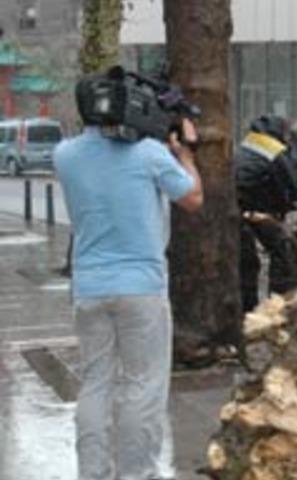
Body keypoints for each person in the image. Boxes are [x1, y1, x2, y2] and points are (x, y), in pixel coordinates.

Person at [55, 76, 204, 480]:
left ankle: (93, 473)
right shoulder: (150, 155)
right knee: (143, 384)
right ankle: (137, 474)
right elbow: (192, 197)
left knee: (96, 382)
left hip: (88, 289)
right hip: (142, 288)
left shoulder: (64, 154)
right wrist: (185, 153)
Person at [235, 115, 297, 313]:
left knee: (247, 262)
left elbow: (262, 177)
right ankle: (279, 306)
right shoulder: (274, 151)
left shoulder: (248, 144)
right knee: (284, 252)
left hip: (238, 208)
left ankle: (247, 311)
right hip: (256, 211)